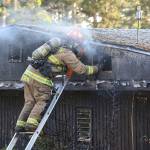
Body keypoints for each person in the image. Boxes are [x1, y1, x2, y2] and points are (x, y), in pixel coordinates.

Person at [15, 29, 102, 133]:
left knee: (29, 102)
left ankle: (20, 125)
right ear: (75, 44)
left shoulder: (56, 46)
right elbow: (81, 69)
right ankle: (31, 125)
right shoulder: (67, 53)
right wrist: (97, 68)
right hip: (40, 79)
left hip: (28, 74)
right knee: (42, 100)